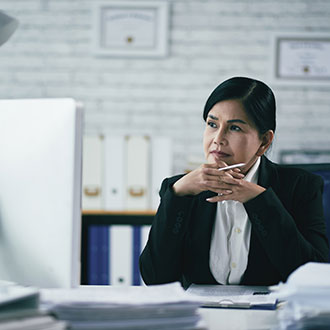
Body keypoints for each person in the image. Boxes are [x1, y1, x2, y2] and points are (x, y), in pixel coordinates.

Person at [139, 76, 329, 288]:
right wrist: (178, 196)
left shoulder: (301, 186)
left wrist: (260, 201)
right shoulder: (180, 189)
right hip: (201, 318)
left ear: (264, 141)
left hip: (269, 318)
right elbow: (156, 278)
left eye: (235, 128)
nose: (217, 138)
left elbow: (314, 276)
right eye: (212, 124)